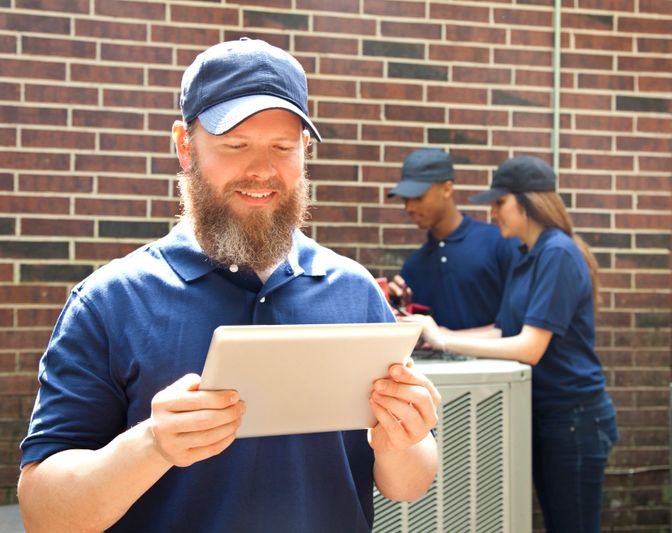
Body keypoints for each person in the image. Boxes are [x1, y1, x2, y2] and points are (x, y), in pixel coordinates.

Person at [17, 38, 440, 533]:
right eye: (235, 145)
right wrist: (153, 444)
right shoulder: (109, 302)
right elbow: (44, 514)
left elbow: (407, 484)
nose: (262, 170)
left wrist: (403, 439)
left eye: (283, 148)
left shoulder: (353, 290)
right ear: (184, 146)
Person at [405, 155, 619, 532]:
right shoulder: (527, 255)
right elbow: (503, 330)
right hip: (545, 414)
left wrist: (445, 339)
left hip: (574, 419)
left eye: (500, 203)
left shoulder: (557, 253)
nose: (494, 213)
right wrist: (436, 336)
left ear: (528, 203)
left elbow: (529, 347)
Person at [387, 148, 518, 331]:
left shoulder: (498, 242)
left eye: (418, 197)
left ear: (447, 189)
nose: (410, 207)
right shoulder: (413, 266)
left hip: (500, 359)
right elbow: (422, 337)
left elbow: (517, 324)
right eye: (405, 200)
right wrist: (401, 309)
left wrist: (448, 339)